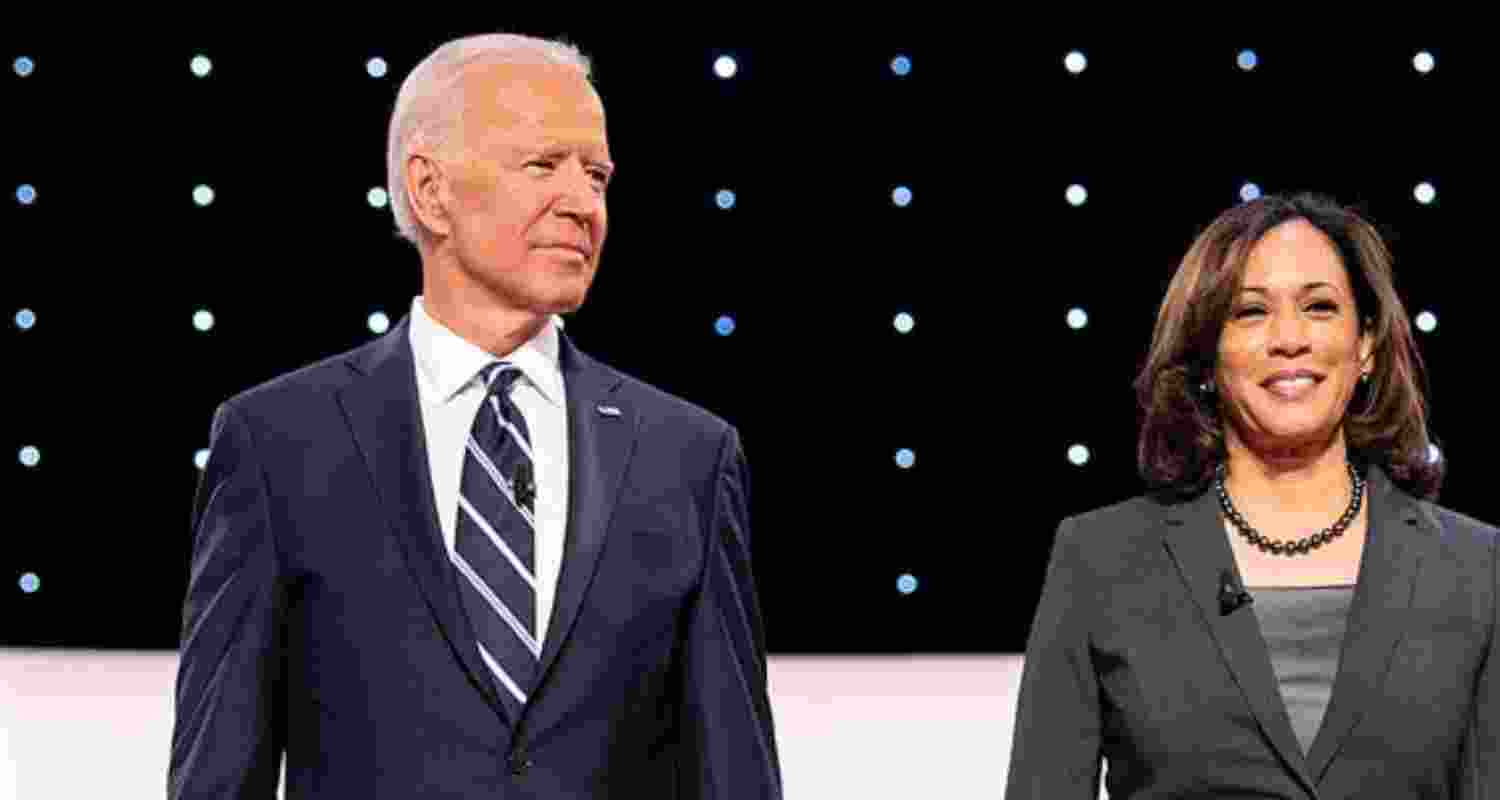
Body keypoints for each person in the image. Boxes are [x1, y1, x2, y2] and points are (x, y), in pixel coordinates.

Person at [168, 33, 782, 799]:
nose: (582, 202)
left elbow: (735, 772)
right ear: (429, 192)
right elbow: (220, 771)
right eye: (542, 165)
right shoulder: (279, 443)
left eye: (597, 175)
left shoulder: (689, 456)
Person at [1005, 193, 1498, 798]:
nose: (1289, 339)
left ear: (1365, 343)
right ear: (1207, 352)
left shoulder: (1477, 568)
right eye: (1250, 312)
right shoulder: (1099, 559)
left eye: (1320, 307)